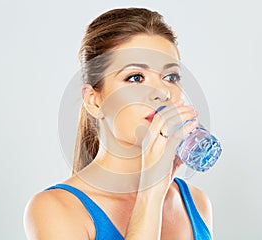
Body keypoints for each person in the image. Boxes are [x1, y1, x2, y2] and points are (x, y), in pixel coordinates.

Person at [24, 7, 213, 240]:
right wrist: (150, 193)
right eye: (135, 77)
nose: (162, 92)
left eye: (170, 77)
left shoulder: (196, 202)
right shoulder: (55, 210)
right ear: (94, 101)